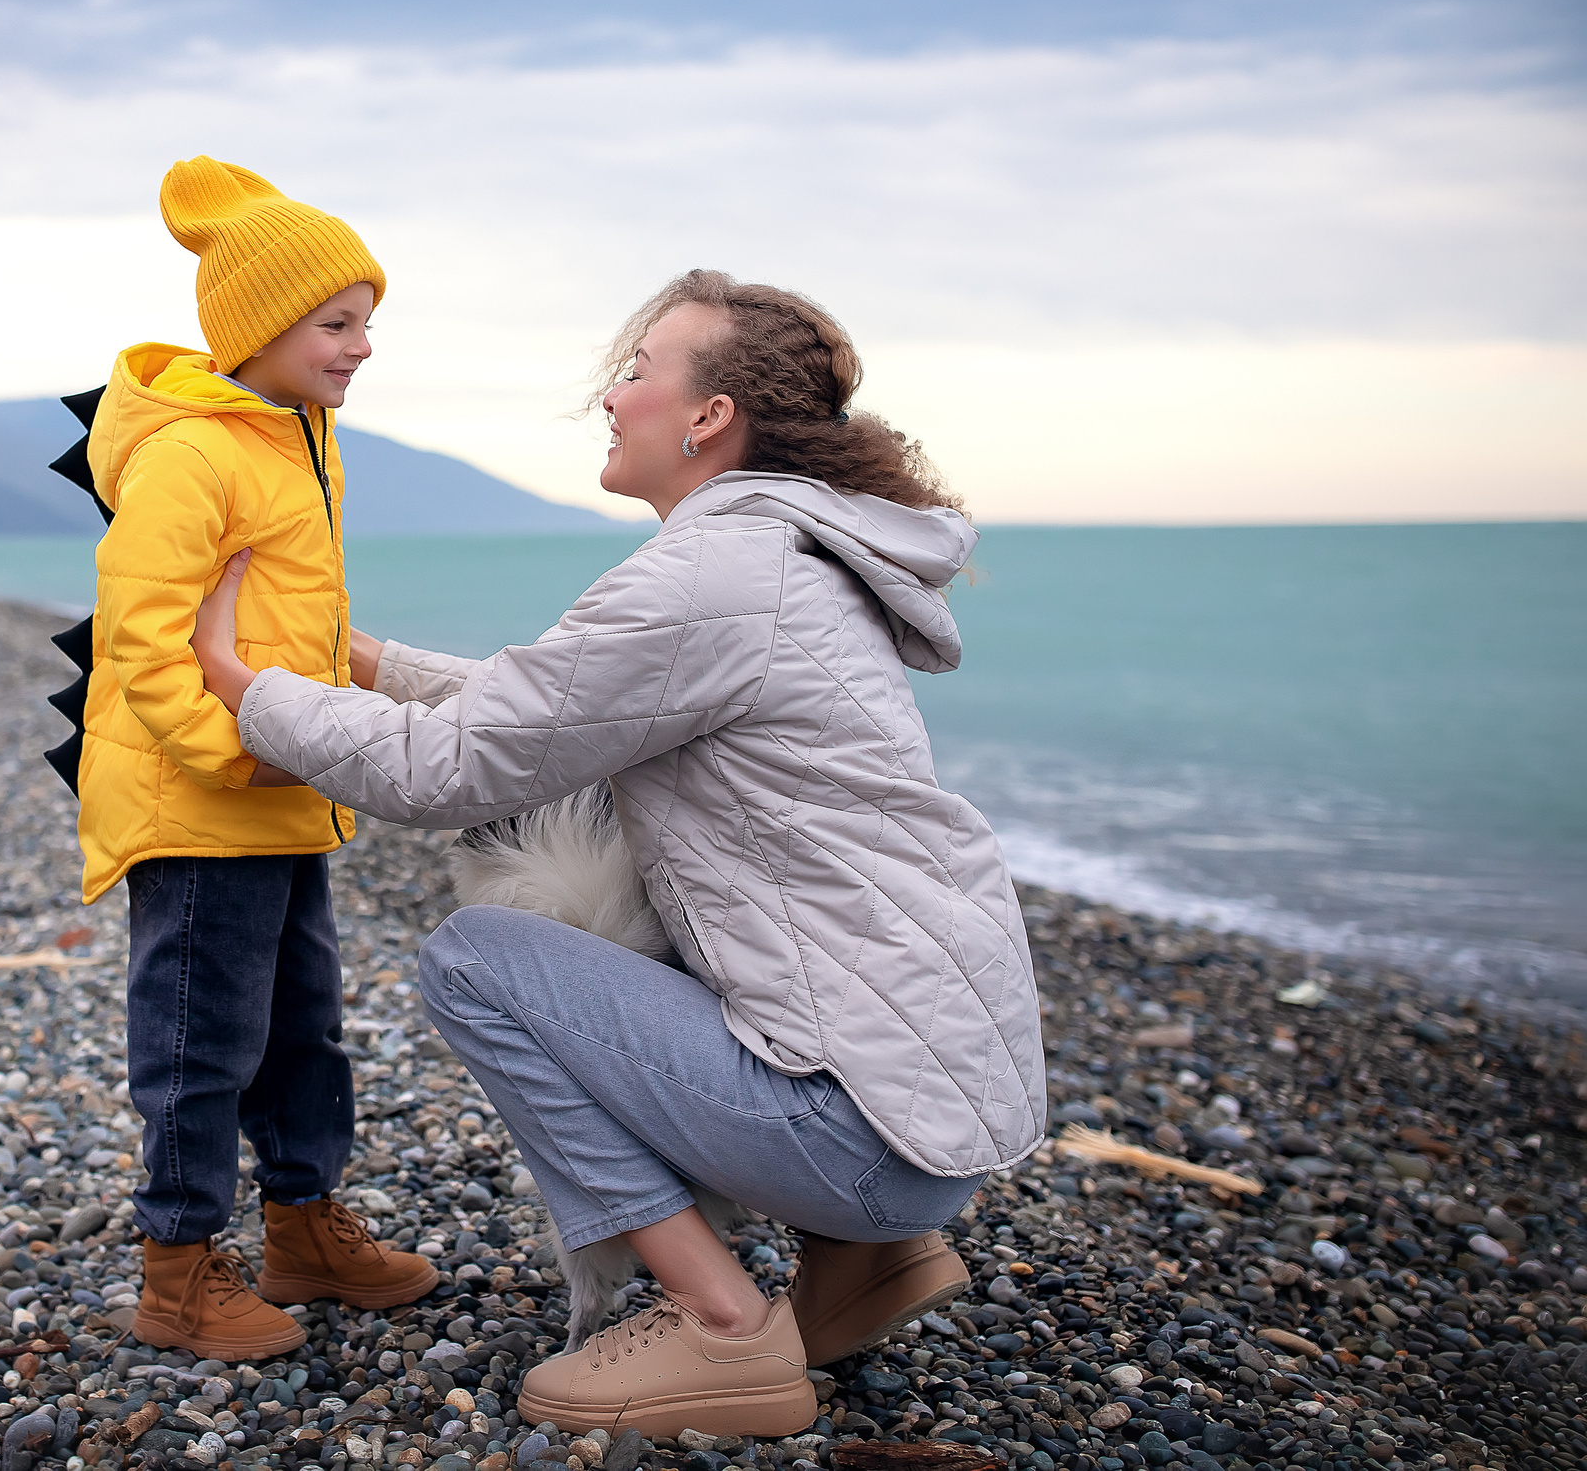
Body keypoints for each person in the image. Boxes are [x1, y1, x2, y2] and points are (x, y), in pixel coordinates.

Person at [191, 271, 1047, 1438]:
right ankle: (867, 1265)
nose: (612, 395)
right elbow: (564, 711)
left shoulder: (710, 576)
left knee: (476, 960)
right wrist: (366, 661)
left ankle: (723, 1327)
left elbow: (449, 773)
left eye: (639, 370)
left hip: (860, 1133)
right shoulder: (784, 560)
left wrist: (252, 694)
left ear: (708, 418)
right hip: (917, 1113)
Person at [75, 157, 439, 1362]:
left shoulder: (297, 437)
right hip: (204, 802)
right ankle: (176, 1270)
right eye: (338, 323)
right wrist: (235, 753)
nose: (361, 348)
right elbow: (141, 633)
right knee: (197, 1041)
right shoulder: (194, 452)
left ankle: (301, 1229)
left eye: (365, 324)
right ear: (263, 326)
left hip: (288, 799)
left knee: (303, 1030)